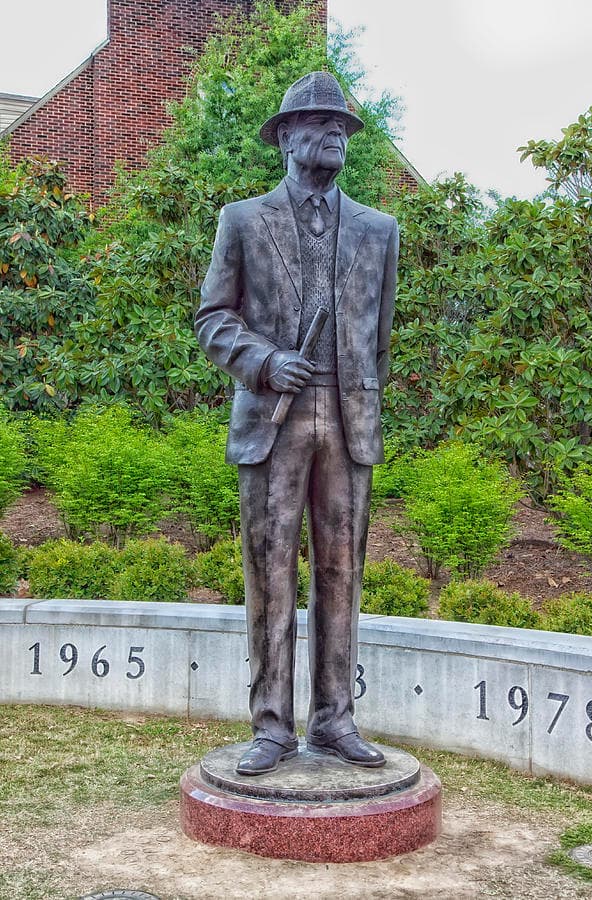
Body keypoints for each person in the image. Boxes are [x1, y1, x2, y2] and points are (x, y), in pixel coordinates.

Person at [195, 71, 399, 775]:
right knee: (270, 572)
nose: (334, 131)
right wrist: (263, 360)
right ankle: (272, 727)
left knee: (342, 572)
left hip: (348, 420)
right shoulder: (243, 220)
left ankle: (335, 721)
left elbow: (379, 335)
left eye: (340, 122)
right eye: (316, 122)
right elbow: (213, 317)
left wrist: (351, 391)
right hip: (272, 417)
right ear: (284, 137)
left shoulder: (379, 230)